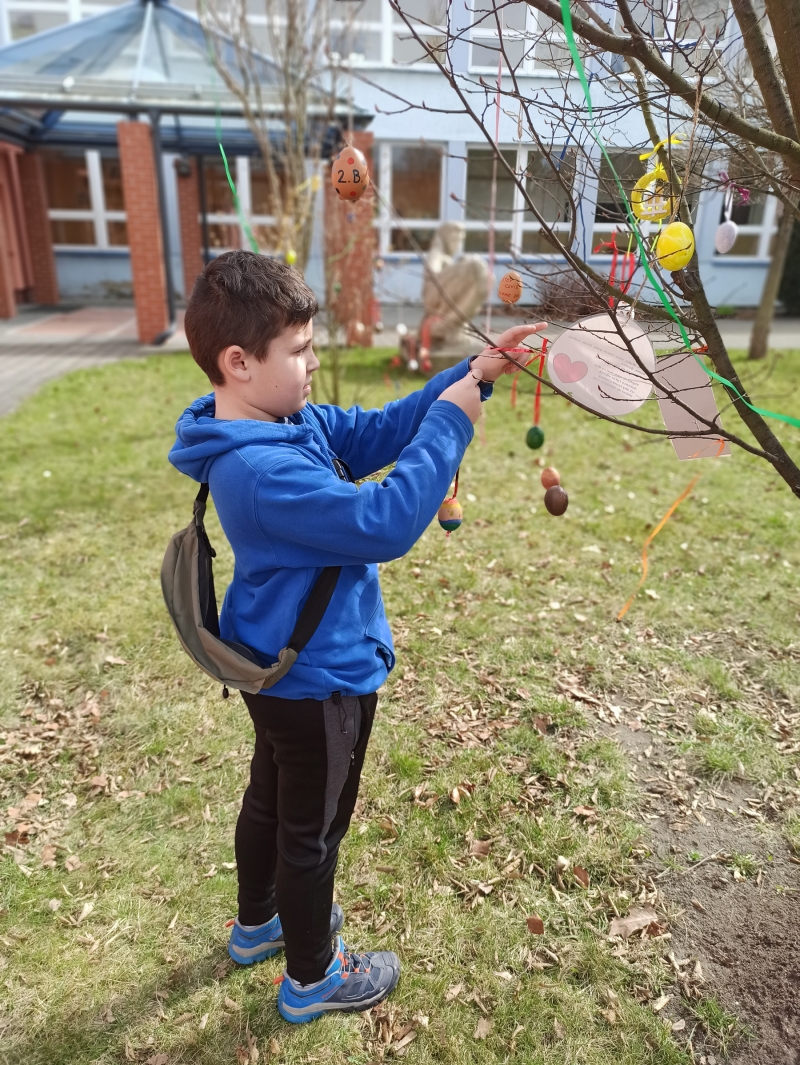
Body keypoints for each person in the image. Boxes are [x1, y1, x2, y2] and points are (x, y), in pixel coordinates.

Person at [169, 250, 545, 1023]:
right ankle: (313, 976)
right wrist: (452, 427)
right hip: (321, 680)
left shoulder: (279, 423)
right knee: (312, 831)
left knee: (272, 802)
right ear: (239, 362)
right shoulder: (266, 473)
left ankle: (258, 923)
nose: (313, 362)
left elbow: (375, 431)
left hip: (280, 673)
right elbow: (381, 524)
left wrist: (470, 374)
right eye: (300, 351)